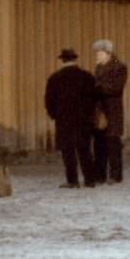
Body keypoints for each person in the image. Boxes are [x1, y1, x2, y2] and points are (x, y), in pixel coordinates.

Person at [44, 48, 98, 189]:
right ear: (75, 59)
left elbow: (49, 101)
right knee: (85, 150)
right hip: (83, 120)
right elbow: (94, 98)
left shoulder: (54, 78)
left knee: (68, 152)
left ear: (62, 60)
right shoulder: (87, 76)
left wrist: (55, 115)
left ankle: (72, 181)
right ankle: (89, 180)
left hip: (64, 120)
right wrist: (89, 114)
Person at [92, 39, 128, 184]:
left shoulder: (119, 67)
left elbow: (117, 88)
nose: (97, 56)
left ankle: (115, 175)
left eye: (99, 53)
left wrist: (98, 88)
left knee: (113, 143)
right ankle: (100, 175)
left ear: (108, 53)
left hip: (112, 111)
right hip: (100, 111)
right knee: (99, 143)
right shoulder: (98, 67)